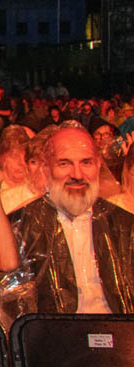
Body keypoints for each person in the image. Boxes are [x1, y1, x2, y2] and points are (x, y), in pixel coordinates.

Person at [9, 123, 134, 314]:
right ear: (46, 169)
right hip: (51, 331)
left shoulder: (125, 226)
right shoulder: (21, 226)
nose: (77, 175)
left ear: (98, 165)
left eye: (86, 163)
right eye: (64, 164)